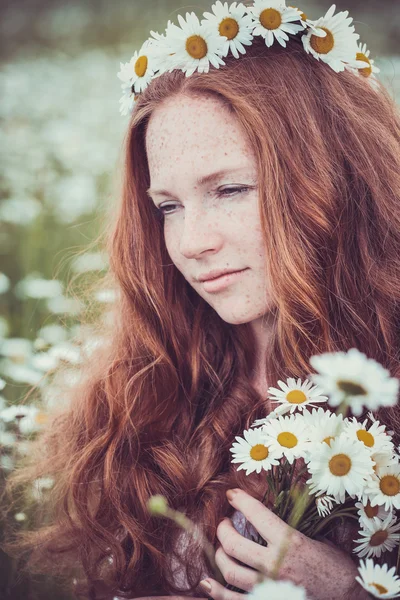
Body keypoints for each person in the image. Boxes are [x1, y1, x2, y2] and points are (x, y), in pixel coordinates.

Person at [5, 2, 400, 599]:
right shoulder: (146, 379)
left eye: (231, 189)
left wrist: (353, 591)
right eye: (168, 206)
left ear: (334, 180)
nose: (191, 244)